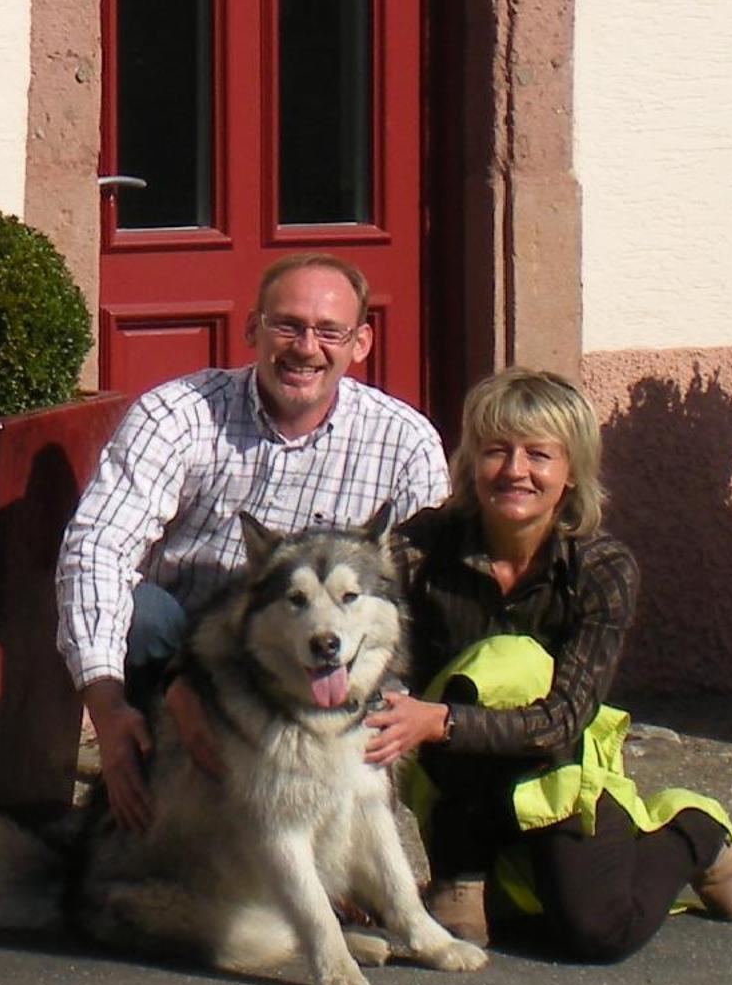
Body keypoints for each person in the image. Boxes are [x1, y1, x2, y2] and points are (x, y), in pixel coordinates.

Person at [364, 367, 732, 961]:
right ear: (470, 463)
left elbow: (564, 719)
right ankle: (464, 869)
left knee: (595, 932)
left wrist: (437, 722)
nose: (515, 471)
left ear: (571, 472)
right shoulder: (421, 549)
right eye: (496, 451)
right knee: (485, 927)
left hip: (559, 767)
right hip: (457, 785)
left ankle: (692, 833)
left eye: (539, 455)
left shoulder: (601, 568)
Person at [56, 252, 450, 831]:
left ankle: (348, 833)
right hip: (185, 649)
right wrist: (108, 708)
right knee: (141, 615)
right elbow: (95, 549)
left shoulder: (404, 441)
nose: (305, 347)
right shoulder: (178, 414)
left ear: (360, 342)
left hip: (317, 654)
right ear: (252, 329)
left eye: (329, 332)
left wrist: (418, 709)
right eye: (286, 325)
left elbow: (431, 587)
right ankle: (155, 787)